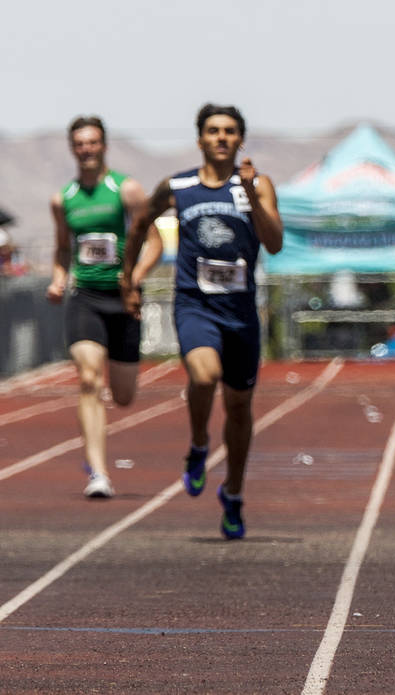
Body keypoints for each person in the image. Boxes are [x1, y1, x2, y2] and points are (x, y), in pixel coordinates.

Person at [121, 104, 283, 539]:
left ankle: (232, 492)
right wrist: (129, 278)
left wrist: (250, 194)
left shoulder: (256, 184)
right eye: (213, 131)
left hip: (241, 312)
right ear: (200, 139)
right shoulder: (178, 186)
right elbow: (139, 225)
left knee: (239, 407)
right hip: (195, 304)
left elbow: (275, 243)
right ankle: (197, 444)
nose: (221, 138)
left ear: (240, 139)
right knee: (204, 374)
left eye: (230, 131)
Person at [45, 116, 162, 498]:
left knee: (124, 396)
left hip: (123, 300)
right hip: (86, 299)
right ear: (72, 148)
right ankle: (98, 473)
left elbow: (155, 241)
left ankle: (98, 463)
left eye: (92, 142)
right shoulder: (63, 199)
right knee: (89, 379)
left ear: (104, 146)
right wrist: (59, 278)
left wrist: (135, 278)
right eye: (79, 143)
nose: (86, 149)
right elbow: (63, 246)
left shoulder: (125, 190)